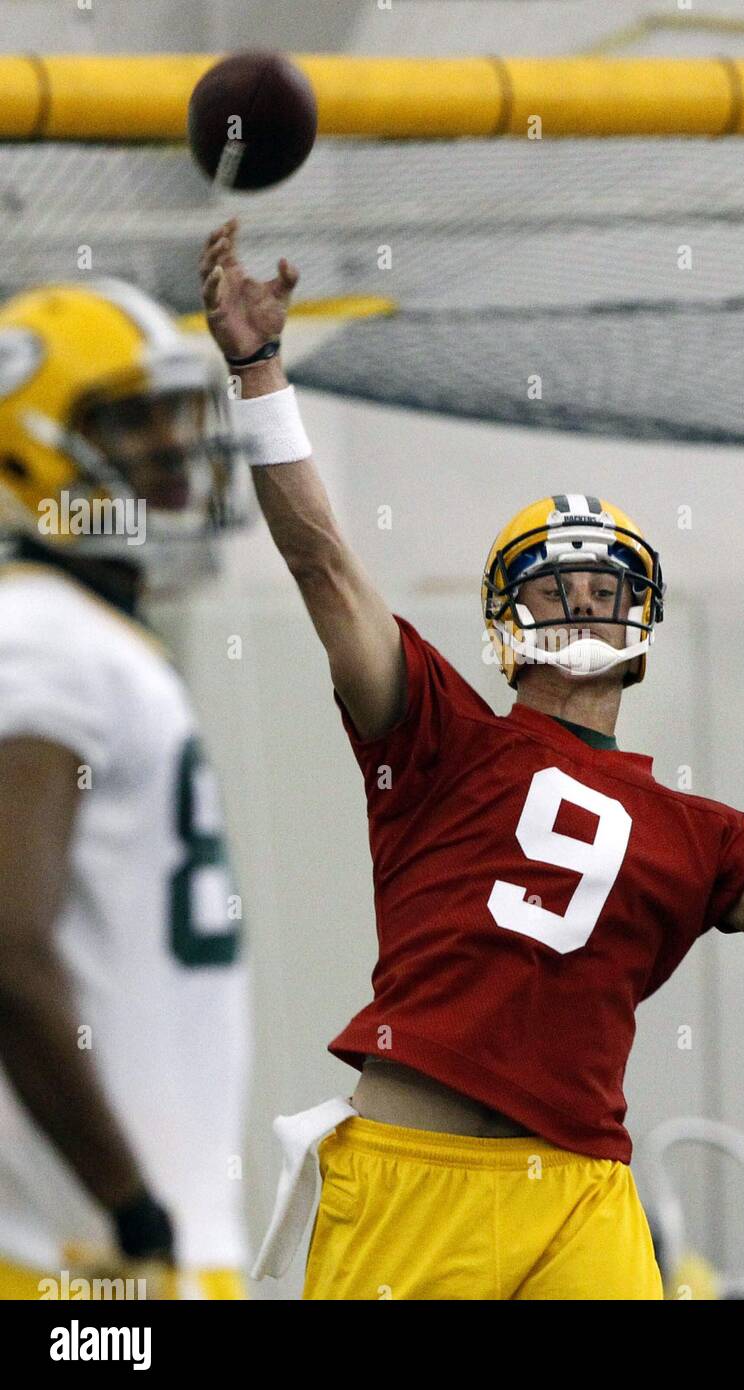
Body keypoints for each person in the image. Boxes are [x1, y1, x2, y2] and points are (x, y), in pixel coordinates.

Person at [200, 217, 744, 1300]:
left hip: (581, 1182)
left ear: (643, 624)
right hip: (413, 1173)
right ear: (503, 623)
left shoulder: (699, 830)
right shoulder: (437, 734)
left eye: (604, 585)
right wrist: (257, 373)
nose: (583, 601)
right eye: (554, 584)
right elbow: (323, 565)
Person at [0, 278, 250, 1299]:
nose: (171, 445)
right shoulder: (44, 638)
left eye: (172, 411)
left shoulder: (77, 632)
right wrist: (130, 1210)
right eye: (129, 418)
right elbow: (7, 939)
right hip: (94, 1265)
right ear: (28, 447)